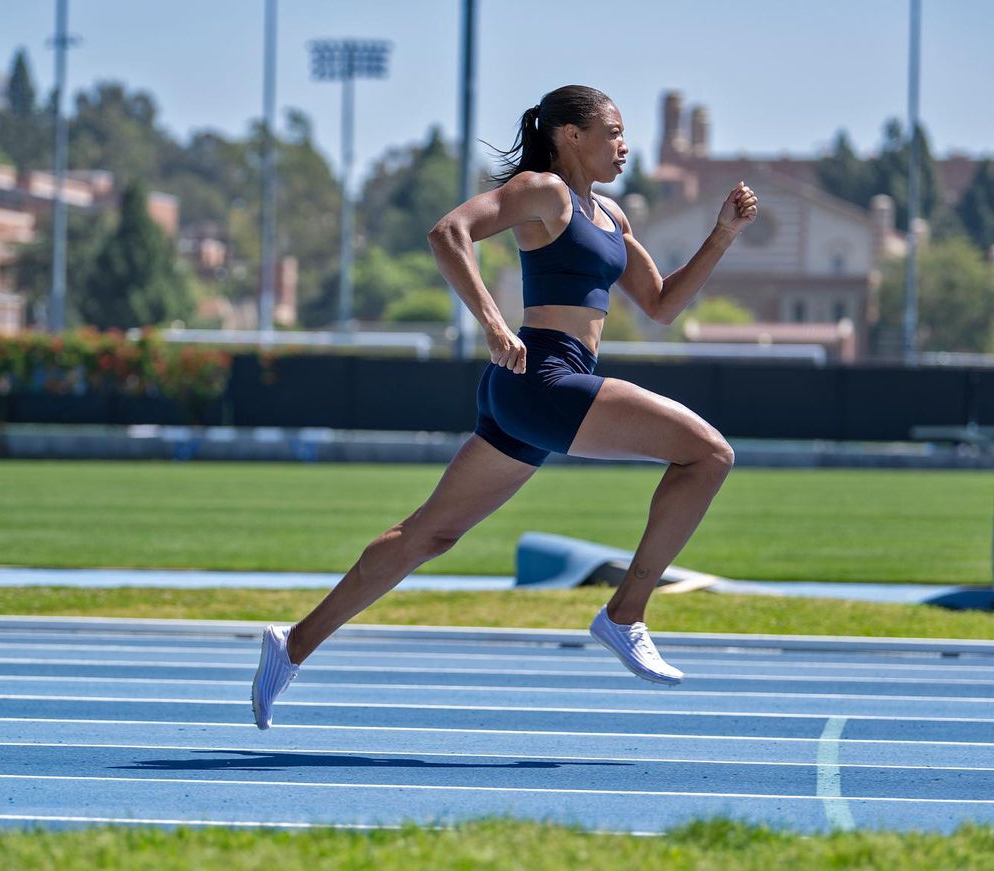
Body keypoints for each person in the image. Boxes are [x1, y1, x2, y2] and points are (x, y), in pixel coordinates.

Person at [251, 84, 758, 729]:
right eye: (614, 132)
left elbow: (660, 305)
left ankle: (292, 643)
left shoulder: (611, 216)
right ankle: (625, 611)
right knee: (709, 455)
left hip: (536, 391)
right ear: (571, 135)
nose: (625, 146)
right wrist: (493, 324)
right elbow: (448, 233)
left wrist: (722, 235)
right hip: (541, 375)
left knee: (427, 534)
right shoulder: (542, 191)